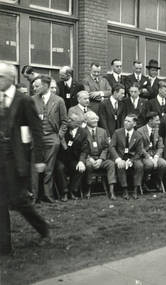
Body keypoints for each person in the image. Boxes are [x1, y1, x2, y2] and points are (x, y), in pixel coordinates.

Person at [0, 62, 49, 256]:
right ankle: (4, 246)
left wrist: (39, 159)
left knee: (18, 201)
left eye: (1, 77)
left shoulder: (24, 101)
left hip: (15, 159)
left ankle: (42, 228)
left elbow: (37, 131)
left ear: (11, 78)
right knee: (1, 202)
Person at [31, 75, 68, 203]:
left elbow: (64, 121)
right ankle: (34, 196)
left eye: (37, 86)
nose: (34, 88)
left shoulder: (58, 101)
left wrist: (59, 137)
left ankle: (48, 195)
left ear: (46, 86)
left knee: (49, 168)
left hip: (52, 137)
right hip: (36, 139)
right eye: (34, 86)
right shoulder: (31, 100)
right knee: (35, 167)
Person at [110, 114, 145, 200]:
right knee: (121, 166)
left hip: (133, 157)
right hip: (120, 156)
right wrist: (118, 159)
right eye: (125, 120)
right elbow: (112, 147)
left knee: (139, 165)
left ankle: (135, 190)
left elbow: (139, 152)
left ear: (134, 124)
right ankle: (124, 190)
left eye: (129, 121)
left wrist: (131, 161)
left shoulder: (138, 135)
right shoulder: (117, 132)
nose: (125, 123)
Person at [56, 112, 89, 202]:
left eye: (71, 120)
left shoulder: (83, 133)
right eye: (68, 118)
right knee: (60, 168)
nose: (68, 120)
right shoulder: (63, 129)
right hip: (61, 158)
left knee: (79, 168)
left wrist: (81, 161)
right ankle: (64, 193)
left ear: (77, 123)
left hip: (73, 159)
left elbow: (84, 149)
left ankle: (72, 191)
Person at [84, 111, 117, 200]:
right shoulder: (82, 132)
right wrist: (89, 158)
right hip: (89, 159)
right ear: (86, 120)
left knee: (111, 164)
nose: (95, 121)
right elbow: (81, 149)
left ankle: (111, 191)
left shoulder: (102, 131)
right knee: (88, 166)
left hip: (100, 159)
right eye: (92, 119)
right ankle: (88, 189)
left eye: (96, 119)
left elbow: (106, 147)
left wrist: (101, 159)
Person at [137, 112, 166, 191]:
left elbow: (161, 146)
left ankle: (157, 180)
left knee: (164, 164)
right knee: (149, 164)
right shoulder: (140, 131)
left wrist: (157, 156)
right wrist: (150, 158)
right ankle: (144, 181)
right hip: (144, 156)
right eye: (157, 120)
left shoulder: (158, 130)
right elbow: (140, 148)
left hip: (155, 155)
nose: (159, 122)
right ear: (150, 121)